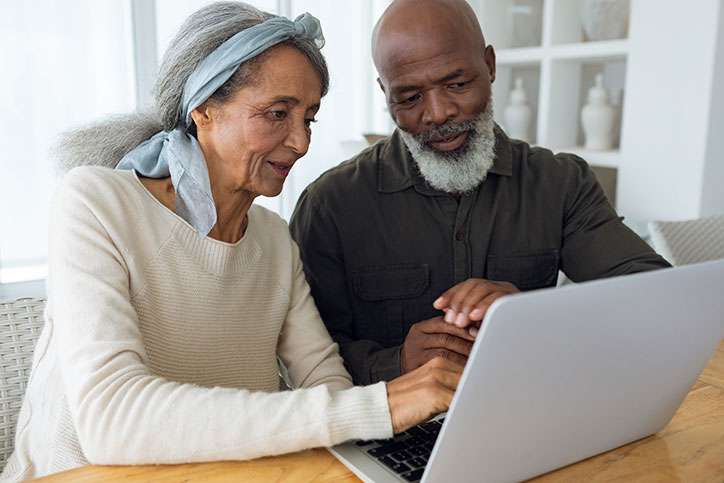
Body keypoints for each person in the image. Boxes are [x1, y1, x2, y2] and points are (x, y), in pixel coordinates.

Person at [1, 3, 462, 481]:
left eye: (309, 118)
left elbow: (324, 379)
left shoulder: (272, 239)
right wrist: (378, 404)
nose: (301, 143)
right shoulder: (96, 202)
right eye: (277, 113)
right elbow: (112, 421)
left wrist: (368, 412)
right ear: (203, 109)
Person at [289, 0, 670, 386]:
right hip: (389, 429)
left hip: (527, 405)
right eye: (409, 98)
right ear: (384, 92)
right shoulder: (331, 205)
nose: (437, 113)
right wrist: (396, 362)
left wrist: (530, 315)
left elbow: (656, 295)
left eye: (456, 84)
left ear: (489, 65)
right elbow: (298, 357)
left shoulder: (559, 183)